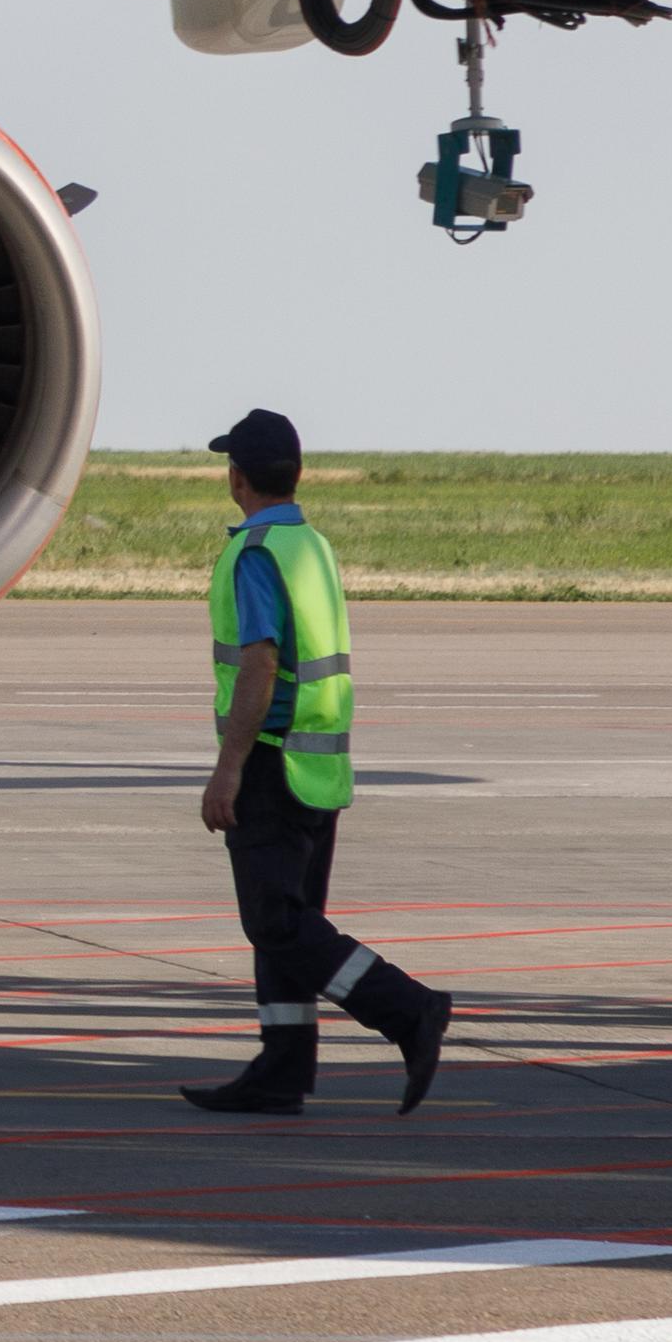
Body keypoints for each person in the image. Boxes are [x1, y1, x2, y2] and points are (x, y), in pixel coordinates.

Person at [184, 409, 455, 1117]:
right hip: (321, 762)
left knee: (276, 922)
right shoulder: (313, 546)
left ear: (236, 477)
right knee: (289, 919)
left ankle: (409, 1008)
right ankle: (282, 1066)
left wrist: (228, 767)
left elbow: (260, 665)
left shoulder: (255, 554)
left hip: (273, 763)